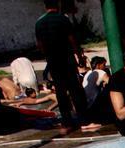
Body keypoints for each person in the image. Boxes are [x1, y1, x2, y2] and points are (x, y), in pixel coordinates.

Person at [35, 0, 88, 133]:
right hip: (67, 59)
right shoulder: (63, 19)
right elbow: (72, 39)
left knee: (60, 91)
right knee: (75, 90)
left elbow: (39, 45)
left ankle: (67, 122)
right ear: (57, 5)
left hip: (53, 62)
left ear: (45, 6)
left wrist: (48, 55)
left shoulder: (39, 23)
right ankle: (83, 120)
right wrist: (79, 56)